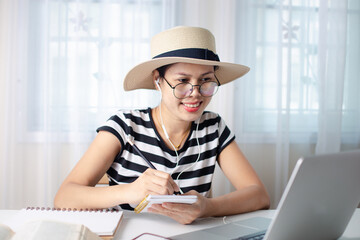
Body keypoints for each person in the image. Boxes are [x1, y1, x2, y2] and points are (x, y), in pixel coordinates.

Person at [54, 26, 270, 224]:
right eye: (182, 81)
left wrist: (207, 207)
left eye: (206, 81)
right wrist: (131, 191)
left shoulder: (213, 127)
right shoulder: (125, 126)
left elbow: (259, 195)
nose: (195, 93)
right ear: (158, 80)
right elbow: (64, 197)